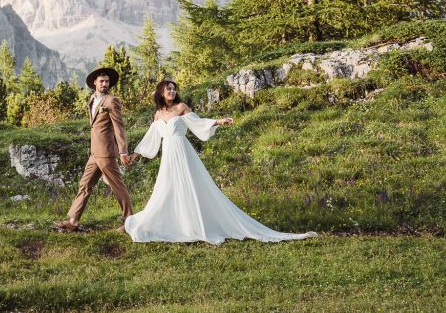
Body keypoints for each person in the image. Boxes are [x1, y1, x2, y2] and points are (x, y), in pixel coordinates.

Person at [123, 80, 317, 244]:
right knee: (167, 188)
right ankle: (174, 222)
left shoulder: (181, 108)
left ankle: (197, 223)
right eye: (169, 89)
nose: (172, 92)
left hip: (182, 151)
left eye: (174, 89)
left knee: (191, 186)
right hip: (168, 155)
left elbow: (198, 122)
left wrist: (218, 121)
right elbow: (150, 139)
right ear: (161, 93)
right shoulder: (158, 114)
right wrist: (134, 155)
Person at [55, 67, 134, 232]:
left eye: (107, 81)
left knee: (117, 187)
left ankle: (130, 223)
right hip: (94, 153)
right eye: (102, 81)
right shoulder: (92, 99)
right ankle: (73, 221)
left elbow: (119, 127)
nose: (105, 84)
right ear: (94, 83)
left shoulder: (112, 101)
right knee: (84, 185)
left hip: (106, 153)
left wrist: (123, 151)